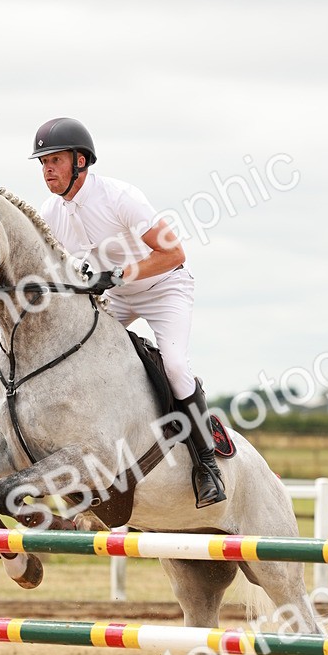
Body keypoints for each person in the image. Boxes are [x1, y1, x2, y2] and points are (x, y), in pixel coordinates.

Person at [30, 116, 226, 508]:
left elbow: (174, 253)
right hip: (116, 296)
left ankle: (207, 465)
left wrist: (117, 274)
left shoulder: (122, 198)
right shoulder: (50, 213)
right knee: (73, 361)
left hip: (163, 287)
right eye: (43, 162)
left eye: (55, 159)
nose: (47, 168)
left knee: (173, 366)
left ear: (80, 162)